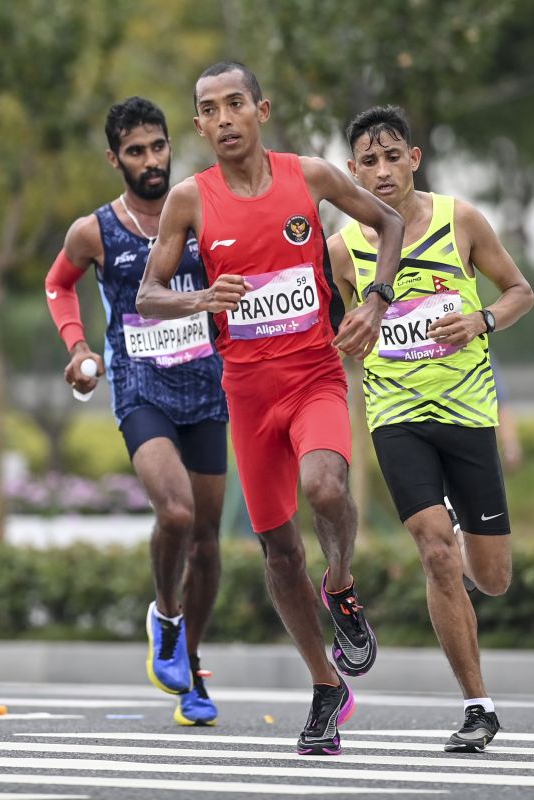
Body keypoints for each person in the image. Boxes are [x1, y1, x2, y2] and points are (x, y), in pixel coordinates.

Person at [136, 62, 404, 756]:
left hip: (314, 375)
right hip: (247, 395)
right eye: (208, 110)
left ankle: (341, 584)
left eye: (235, 105)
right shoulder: (189, 200)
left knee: (324, 486)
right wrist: (199, 300)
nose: (223, 119)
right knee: (278, 550)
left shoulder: (308, 176)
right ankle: (326, 686)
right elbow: (148, 294)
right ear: (197, 124)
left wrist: (376, 300)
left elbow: (389, 221)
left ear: (261, 109)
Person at [327, 105, 534, 753]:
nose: (382, 171)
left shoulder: (460, 220)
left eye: (393, 157)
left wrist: (482, 321)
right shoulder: (343, 248)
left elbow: (520, 291)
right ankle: (478, 706)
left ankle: (463, 557)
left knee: (491, 576)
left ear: (414, 159)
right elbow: (336, 333)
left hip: (468, 412)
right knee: (434, 549)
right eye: (368, 161)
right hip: (396, 416)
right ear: (352, 170)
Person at [45, 97, 226, 726]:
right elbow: (57, 284)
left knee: (207, 541)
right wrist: (77, 347)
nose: (151, 161)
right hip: (140, 386)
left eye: (159, 147)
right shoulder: (94, 230)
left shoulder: (203, 211)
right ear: (114, 158)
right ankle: (165, 617)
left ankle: (191, 665)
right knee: (175, 512)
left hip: (208, 390)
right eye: (136, 151)